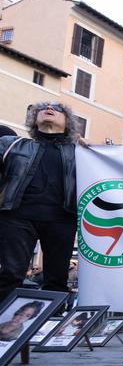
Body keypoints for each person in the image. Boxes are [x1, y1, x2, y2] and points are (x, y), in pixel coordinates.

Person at [0, 101, 83, 303]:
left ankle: (50, 329)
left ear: (68, 122)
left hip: (62, 219)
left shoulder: (81, 152)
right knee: (10, 274)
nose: (50, 109)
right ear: (34, 120)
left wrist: (98, 151)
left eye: (57, 108)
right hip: (16, 216)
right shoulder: (10, 144)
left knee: (57, 279)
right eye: (43, 108)